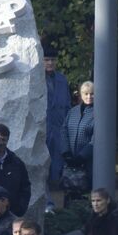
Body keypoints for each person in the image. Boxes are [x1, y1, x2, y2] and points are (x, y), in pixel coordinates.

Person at [43, 48, 71, 212]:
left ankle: (61, 204)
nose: (50, 63)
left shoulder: (62, 79)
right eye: (47, 60)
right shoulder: (37, 78)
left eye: (52, 60)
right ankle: (47, 202)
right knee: (43, 166)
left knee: (58, 166)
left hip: (59, 127)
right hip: (44, 127)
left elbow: (66, 104)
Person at [61, 80, 96, 195]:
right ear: (81, 95)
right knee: (69, 193)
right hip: (70, 160)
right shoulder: (73, 111)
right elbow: (64, 130)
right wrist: (66, 152)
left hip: (88, 162)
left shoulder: (99, 112)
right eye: (86, 94)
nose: (89, 96)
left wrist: (82, 157)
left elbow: (96, 139)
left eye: (92, 93)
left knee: (86, 193)